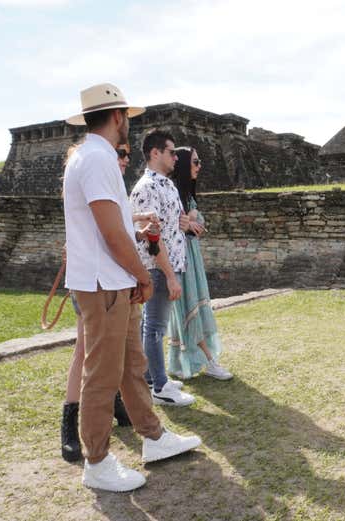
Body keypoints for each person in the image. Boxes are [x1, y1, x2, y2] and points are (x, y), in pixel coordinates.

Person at [63, 83, 200, 492]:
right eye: (128, 118)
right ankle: (98, 460)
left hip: (110, 280)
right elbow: (110, 233)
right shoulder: (97, 159)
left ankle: (153, 436)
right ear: (119, 116)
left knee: (130, 365)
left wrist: (134, 221)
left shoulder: (90, 157)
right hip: (105, 281)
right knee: (103, 374)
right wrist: (143, 276)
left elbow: (109, 220)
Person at [59, 142, 156, 462]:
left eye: (127, 154)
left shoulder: (101, 173)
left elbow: (118, 225)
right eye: (121, 153)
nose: (125, 160)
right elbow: (103, 231)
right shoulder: (93, 167)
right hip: (95, 279)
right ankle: (70, 422)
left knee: (115, 355)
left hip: (107, 278)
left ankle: (117, 405)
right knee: (87, 352)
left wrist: (139, 234)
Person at [130, 130, 196, 406]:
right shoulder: (147, 188)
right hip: (157, 267)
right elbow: (152, 239)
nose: (175, 157)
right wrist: (170, 276)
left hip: (171, 263)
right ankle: (159, 386)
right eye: (171, 152)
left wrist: (185, 224)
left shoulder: (167, 185)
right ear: (155, 153)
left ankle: (149, 375)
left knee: (151, 324)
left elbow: (172, 225)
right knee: (155, 328)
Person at [167, 147, 233, 380]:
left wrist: (193, 220)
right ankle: (209, 360)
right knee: (188, 306)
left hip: (192, 257)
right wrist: (189, 221)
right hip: (179, 259)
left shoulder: (187, 196)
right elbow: (174, 226)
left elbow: (199, 229)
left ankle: (178, 363)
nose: (199, 165)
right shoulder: (172, 193)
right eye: (196, 161)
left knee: (191, 306)